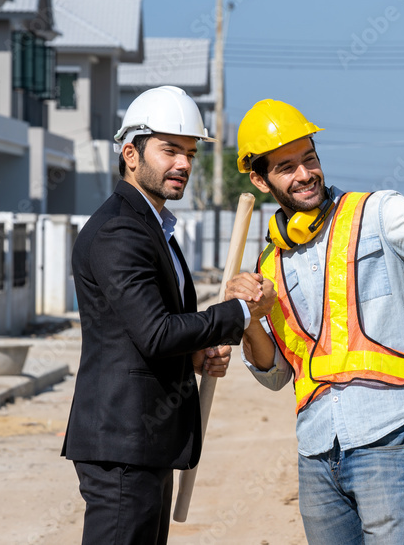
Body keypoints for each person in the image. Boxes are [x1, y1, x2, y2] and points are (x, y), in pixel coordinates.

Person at [231, 99, 404, 544]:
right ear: (260, 179)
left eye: (309, 159)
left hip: (388, 434)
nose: (304, 174)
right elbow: (275, 373)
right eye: (286, 167)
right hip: (316, 449)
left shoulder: (378, 212)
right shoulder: (268, 264)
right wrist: (249, 320)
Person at [61, 86, 275, 545]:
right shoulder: (120, 230)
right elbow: (156, 333)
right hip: (122, 445)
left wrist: (195, 354)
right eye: (169, 150)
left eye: (190, 154)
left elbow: (143, 332)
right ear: (130, 154)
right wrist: (239, 312)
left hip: (146, 442)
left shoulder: (154, 226)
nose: (183, 164)